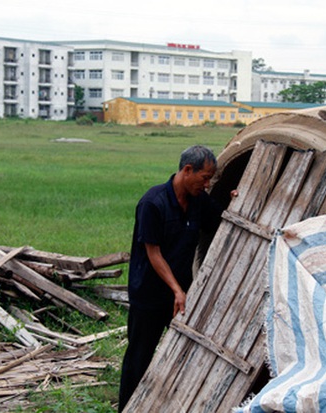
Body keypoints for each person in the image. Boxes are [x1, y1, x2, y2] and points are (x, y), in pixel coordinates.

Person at [118, 145, 225, 412]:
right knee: (139, 357)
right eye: (205, 177)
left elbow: (222, 221)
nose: (207, 183)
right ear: (187, 170)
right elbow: (153, 254)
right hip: (150, 295)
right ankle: (128, 407)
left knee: (185, 353)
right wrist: (177, 289)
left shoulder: (199, 201)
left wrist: (236, 199)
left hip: (181, 294)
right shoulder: (153, 203)